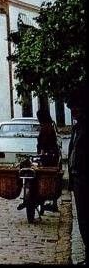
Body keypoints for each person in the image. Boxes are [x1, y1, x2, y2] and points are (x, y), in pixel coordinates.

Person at [68, 92, 88, 264]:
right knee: (82, 218)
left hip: (84, 178)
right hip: (77, 179)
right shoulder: (76, 128)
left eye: (75, 108)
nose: (73, 111)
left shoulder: (85, 127)